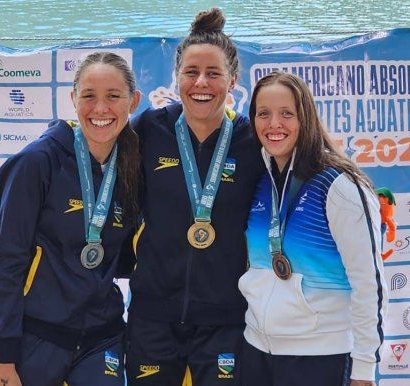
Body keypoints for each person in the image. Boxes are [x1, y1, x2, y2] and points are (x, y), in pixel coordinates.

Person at [125, 8, 264, 386]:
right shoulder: (148, 130)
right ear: (177, 78)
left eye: (213, 73)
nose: (201, 82)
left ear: (233, 81)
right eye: (191, 72)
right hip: (153, 317)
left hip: (226, 319)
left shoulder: (253, 141)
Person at [0, 52, 141, 386]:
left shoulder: (132, 165)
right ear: (73, 99)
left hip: (103, 338)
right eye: (89, 96)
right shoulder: (36, 163)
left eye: (113, 96)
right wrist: (5, 354)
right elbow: (8, 262)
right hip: (38, 338)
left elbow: (125, 257)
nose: (100, 109)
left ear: (133, 101)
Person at [237, 72, 388, 386]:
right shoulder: (259, 179)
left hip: (321, 356)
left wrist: (363, 368)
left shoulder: (340, 185)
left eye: (286, 114)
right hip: (256, 351)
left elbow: (368, 282)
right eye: (263, 114)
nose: (273, 124)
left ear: (305, 118)